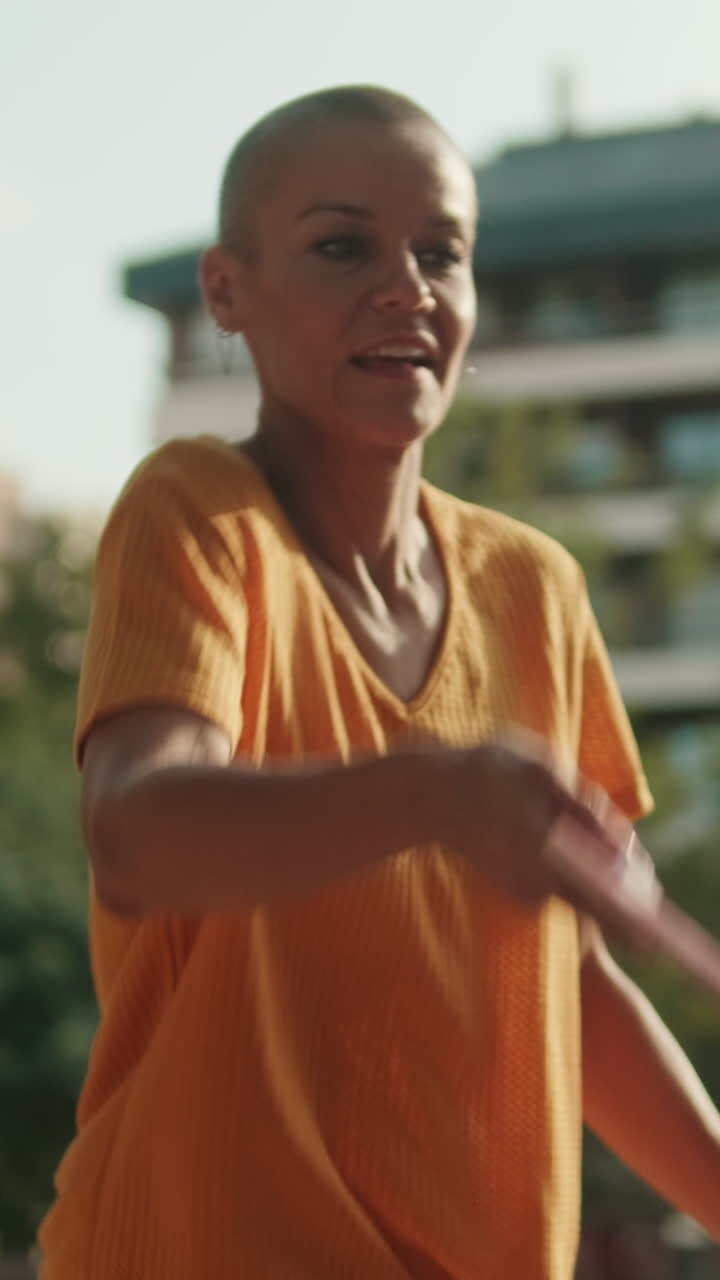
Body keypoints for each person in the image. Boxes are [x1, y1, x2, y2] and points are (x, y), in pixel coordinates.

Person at [38, 86, 720, 1279]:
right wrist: (440, 792)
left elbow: (568, 985)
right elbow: (137, 837)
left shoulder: (538, 587)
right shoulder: (197, 513)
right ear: (225, 292)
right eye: (342, 244)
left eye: (441, 252)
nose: (406, 285)